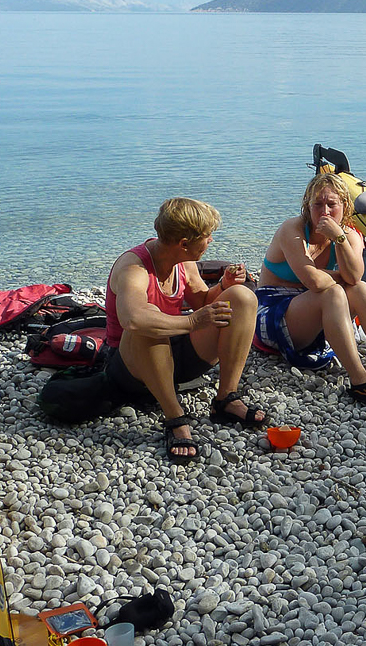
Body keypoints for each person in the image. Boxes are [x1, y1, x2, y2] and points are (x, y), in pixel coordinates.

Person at [255, 171, 366, 411]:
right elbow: (315, 282)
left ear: (345, 206)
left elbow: (356, 278)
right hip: (274, 315)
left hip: (321, 312)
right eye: (317, 205)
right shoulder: (293, 230)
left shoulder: (349, 235)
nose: (325, 212)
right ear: (307, 206)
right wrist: (339, 279)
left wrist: (338, 237)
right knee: (335, 291)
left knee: (358, 288)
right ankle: (359, 378)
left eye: (332, 205)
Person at [105, 197, 263, 464]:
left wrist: (222, 286)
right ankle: (175, 417)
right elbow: (132, 319)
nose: (211, 240)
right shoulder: (134, 267)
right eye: (207, 236)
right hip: (132, 366)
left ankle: (226, 398)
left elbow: (201, 301)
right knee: (148, 319)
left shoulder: (184, 262)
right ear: (184, 243)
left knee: (242, 297)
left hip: (173, 353)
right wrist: (191, 322)